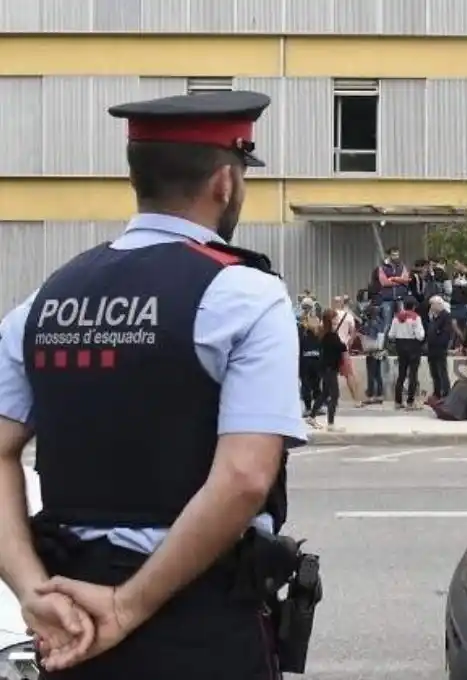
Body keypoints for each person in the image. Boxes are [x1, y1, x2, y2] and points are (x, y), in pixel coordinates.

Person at [0, 90, 311, 678]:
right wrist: (128, 604)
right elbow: (245, 476)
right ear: (225, 181)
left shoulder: (48, 298)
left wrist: (31, 589)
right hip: (195, 615)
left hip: (69, 620)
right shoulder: (246, 293)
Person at [306, 308, 346, 431]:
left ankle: (312, 416)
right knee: (334, 395)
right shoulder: (330, 335)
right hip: (329, 368)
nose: (337, 319)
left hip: (326, 367)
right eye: (335, 317)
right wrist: (343, 344)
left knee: (325, 393)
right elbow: (340, 347)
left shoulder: (326, 332)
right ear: (330, 319)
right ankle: (331, 424)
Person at [388, 296, 425, 410]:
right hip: (413, 346)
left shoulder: (396, 318)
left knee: (402, 374)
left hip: (400, 346)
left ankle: (398, 401)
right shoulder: (416, 318)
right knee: (413, 374)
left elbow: (391, 335)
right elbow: (420, 336)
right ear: (414, 307)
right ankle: (410, 401)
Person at [425, 295, 453, 400]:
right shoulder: (434, 317)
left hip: (440, 349)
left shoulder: (446, 316)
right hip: (431, 349)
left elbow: (445, 334)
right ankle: (437, 393)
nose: (431, 307)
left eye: (432, 304)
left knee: (442, 372)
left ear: (438, 304)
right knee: (434, 373)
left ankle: (446, 394)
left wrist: (437, 340)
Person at [359, 304, 387, 405]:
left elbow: (371, 336)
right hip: (380, 351)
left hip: (372, 351)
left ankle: (370, 395)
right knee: (378, 374)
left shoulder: (370, 323)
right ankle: (379, 395)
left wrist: (362, 329)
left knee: (371, 374)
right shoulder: (380, 322)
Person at [298, 313, 323, 415]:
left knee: (306, 386)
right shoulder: (319, 334)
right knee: (315, 386)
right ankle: (315, 407)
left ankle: (309, 408)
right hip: (316, 361)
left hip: (305, 362)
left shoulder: (302, 332)